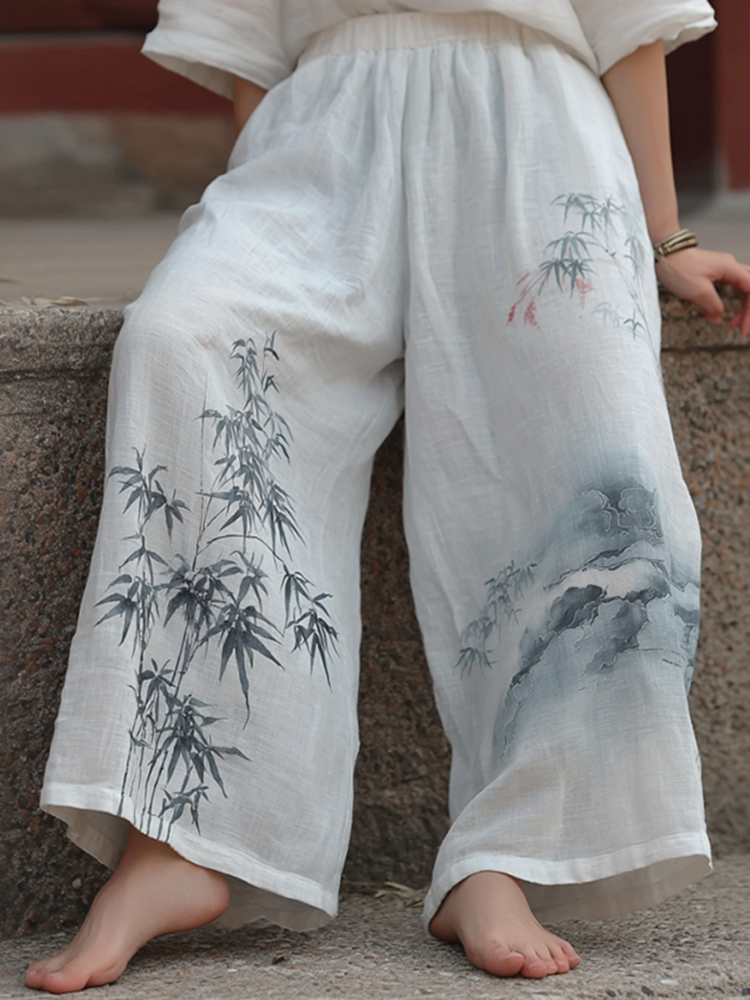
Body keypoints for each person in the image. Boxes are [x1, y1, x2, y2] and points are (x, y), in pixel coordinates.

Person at [25, 0, 750, 993]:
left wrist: (666, 238)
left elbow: (632, 23)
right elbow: (247, 52)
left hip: (538, 132)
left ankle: (506, 855)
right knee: (182, 340)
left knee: (592, 450)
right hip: (318, 135)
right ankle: (181, 835)